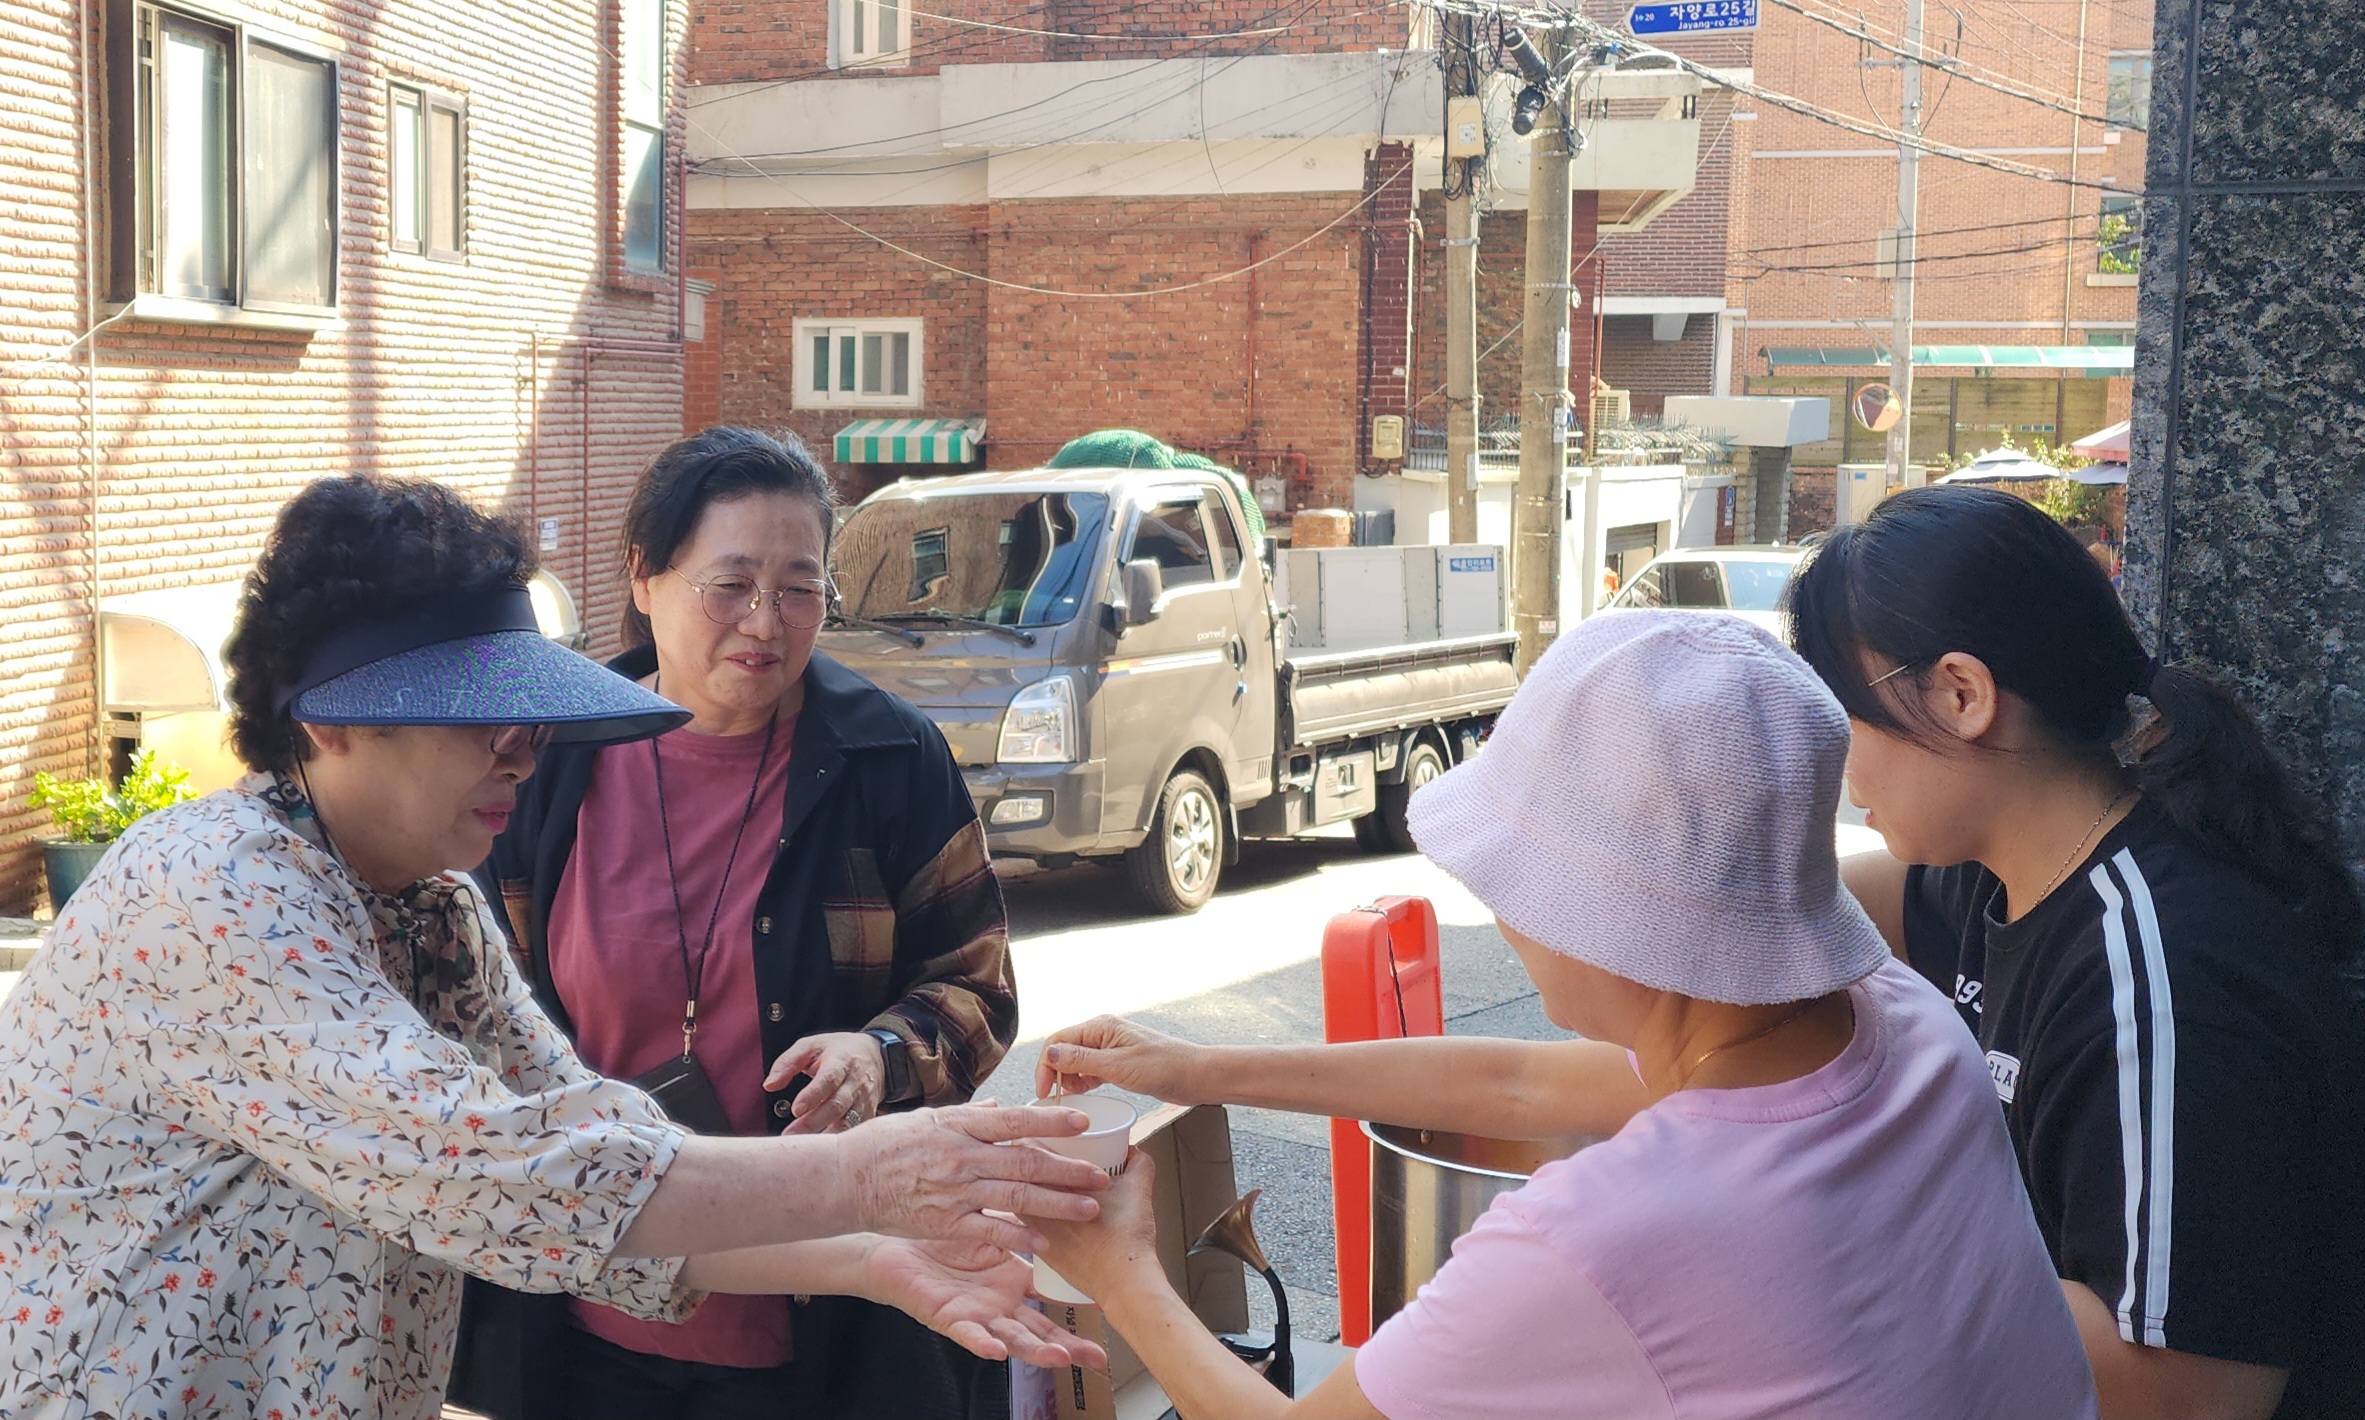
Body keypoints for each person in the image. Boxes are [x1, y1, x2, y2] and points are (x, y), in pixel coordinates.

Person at [0, 474, 1108, 1420]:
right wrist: (866, 1178)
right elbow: (491, 1168)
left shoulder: (430, 905)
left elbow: (585, 1137)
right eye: (482, 721)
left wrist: (871, 1258)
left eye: (532, 720)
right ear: (327, 718)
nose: (525, 755)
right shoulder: (216, 887)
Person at [1026, 611, 2098, 1420]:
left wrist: (1120, 1272)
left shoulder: (1601, 1235)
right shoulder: (1898, 1019)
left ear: (1608, 923)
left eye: (1513, 881)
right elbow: (1518, 1084)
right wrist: (1195, 1066)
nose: (1499, 914)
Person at [451, 426, 1022, 1419]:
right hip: (583, 1307)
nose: (766, 621)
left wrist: (879, 1054)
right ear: (645, 577)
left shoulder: (888, 760)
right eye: (731, 584)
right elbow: (483, 1026)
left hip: (834, 1308)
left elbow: (978, 986)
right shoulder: (545, 761)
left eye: (799, 589)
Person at [1785, 484, 2365, 1420]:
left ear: (1961, 695)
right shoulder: (2000, 878)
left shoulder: (2159, 977)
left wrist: (1815, 1251)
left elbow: (2185, 1389)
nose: (1835, 761)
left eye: (1836, 711)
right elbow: (1791, 916)